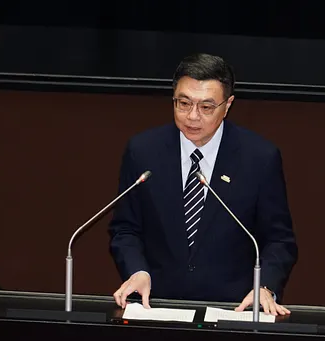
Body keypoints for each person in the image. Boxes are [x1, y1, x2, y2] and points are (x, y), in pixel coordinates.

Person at [108, 53, 298, 316]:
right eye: (184, 103)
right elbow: (125, 228)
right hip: (158, 306)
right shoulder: (143, 152)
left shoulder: (259, 158)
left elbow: (279, 240)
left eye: (206, 107)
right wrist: (137, 271)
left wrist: (264, 286)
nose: (192, 116)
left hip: (233, 310)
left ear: (227, 105)